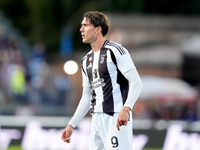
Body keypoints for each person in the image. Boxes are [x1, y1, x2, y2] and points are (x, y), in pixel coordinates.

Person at [61, 11, 143, 150]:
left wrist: (126, 109)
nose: (81, 29)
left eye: (85, 25)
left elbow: (136, 82)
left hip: (116, 117)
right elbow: (86, 97)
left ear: (98, 29)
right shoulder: (86, 60)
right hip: (96, 120)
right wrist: (71, 125)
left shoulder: (115, 51)